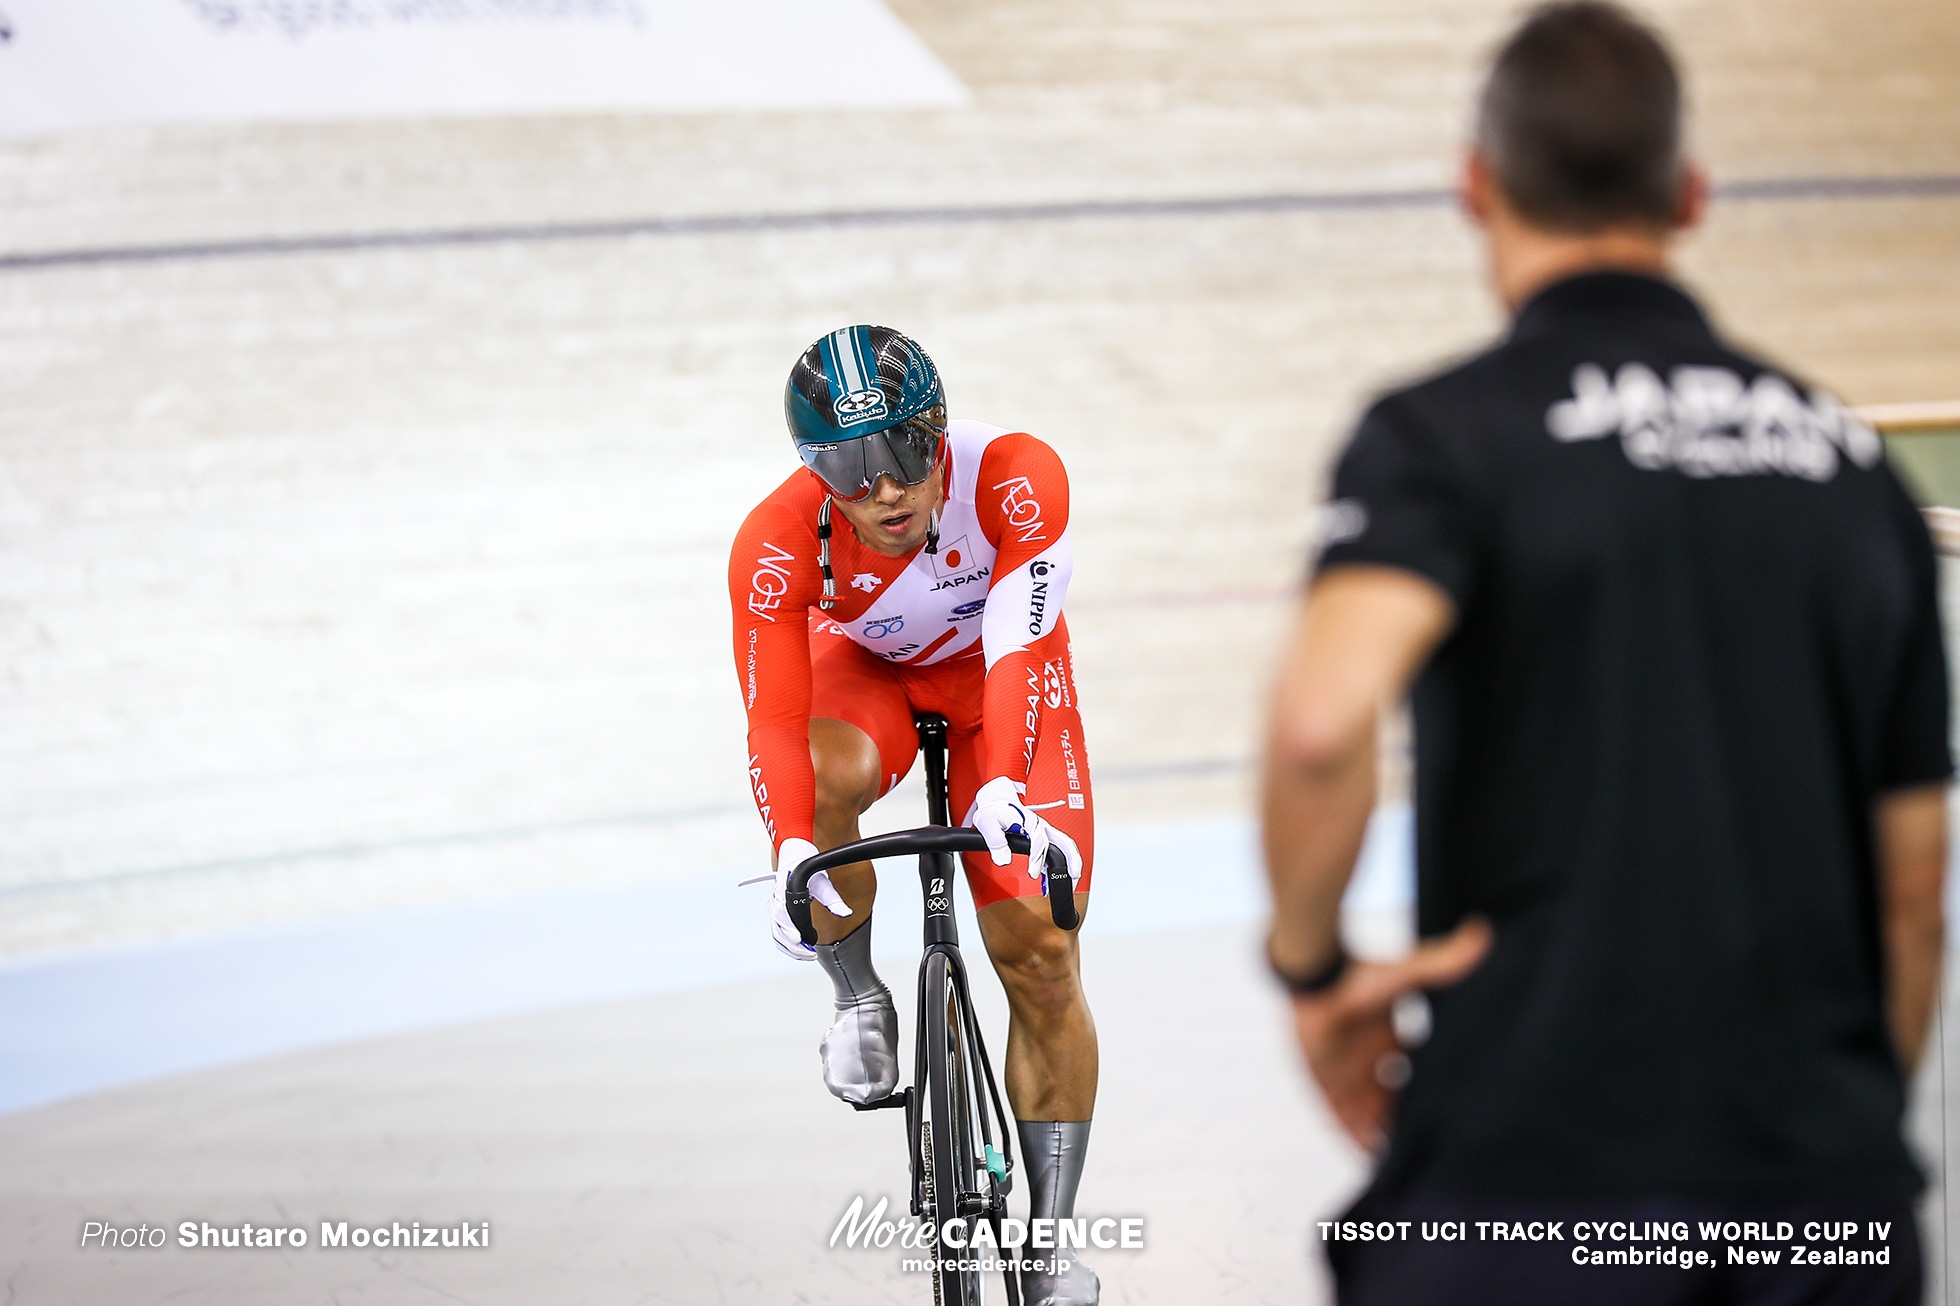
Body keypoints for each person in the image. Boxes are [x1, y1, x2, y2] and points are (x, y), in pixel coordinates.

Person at [1259, 5, 1951, 1303]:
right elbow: (1915, 896)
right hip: (1818, 1199)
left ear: (1478, 185)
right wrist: (1841, 1141)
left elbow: (1320, 724)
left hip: (1533, 1183)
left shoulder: (1440, 439)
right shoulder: (1852, 469)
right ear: (1690, 195)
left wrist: (1314, 971)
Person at [729, 325, 1101, 1305]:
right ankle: (856, 995)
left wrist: (1004, 785)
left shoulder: (1016, 478)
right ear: (814, 473)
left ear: (938, 434)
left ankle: (1048, 1241)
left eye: (904, 452)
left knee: (1041, 957)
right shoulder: (774, 543)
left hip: (1000, 684)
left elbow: (1019, 647)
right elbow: (770, 717)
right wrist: (791, 847)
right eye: (850, 470)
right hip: (867, 678)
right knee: (819, 783)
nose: (885, 490)